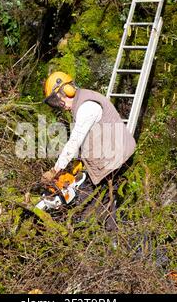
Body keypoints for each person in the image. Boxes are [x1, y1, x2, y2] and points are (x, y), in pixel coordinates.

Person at [41, 71, 137, 229]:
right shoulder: (82, 103)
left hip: (115, 158)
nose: (59, 105)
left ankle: (95, 230)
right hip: (110, 157)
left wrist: (55, 170)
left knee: (87, 201)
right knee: (101, 198)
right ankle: (107, 229)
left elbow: (75, 141)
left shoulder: (86, 107)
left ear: (66, 92)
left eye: (57, 100)